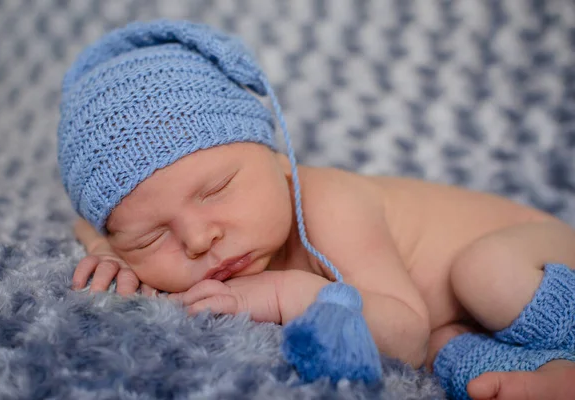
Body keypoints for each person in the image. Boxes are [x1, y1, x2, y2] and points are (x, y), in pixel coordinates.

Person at [59, 20, 575, 400]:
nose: (197, 239)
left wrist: (290, 294)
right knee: (453, 356)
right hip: (459, 320)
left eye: (215, 190)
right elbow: (93, 219)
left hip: (539, 251)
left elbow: (407, 336)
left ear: (279, 161)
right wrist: (111, 249)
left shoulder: (330, 205)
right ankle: (556, 375)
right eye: (151, 237)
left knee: (486, 277)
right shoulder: (154, 230)